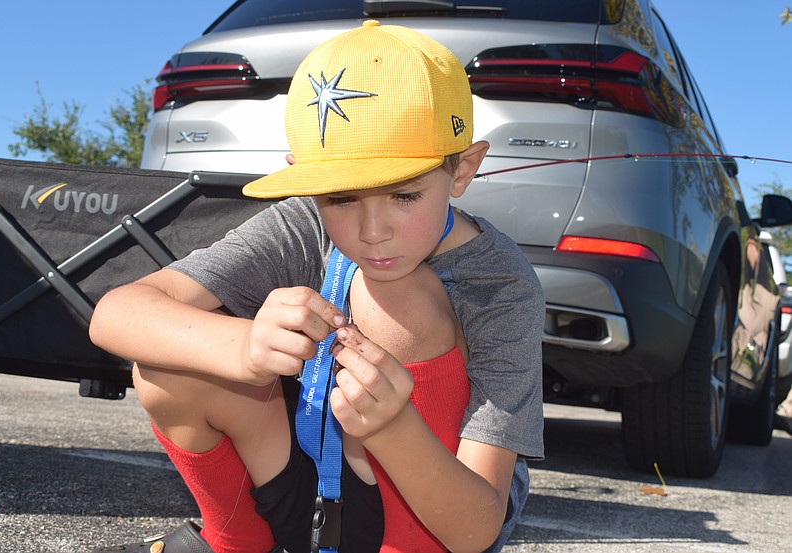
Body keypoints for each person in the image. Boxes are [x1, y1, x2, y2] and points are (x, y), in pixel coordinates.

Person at [89, 20, 544, 553]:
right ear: (304, 178)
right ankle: (237, 542)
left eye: (405, 195)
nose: (373, 232)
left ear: (463, 170)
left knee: (395, 297)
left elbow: (476, 529)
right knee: (168, 361)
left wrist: (393, 427)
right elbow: (116, 315)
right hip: (308, 490)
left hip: (440, 513)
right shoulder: (302, 224)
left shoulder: (503, 284)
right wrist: (245, 347)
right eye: (342, 199)